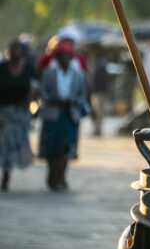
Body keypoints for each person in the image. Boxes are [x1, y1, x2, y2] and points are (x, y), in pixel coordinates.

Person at [38, 41, 87, 191]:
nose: (64, 59)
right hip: (53, 113)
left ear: (71, 58)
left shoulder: (78, 75)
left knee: (66, 148)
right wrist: (53, 99)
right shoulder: (49, 74)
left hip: (69, 114)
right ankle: (52, 175)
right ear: (57, 58)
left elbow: (82, 95)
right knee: (52, 147)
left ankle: (61, 176)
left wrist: (71, 101)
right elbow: (43, 92)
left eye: (67, 56)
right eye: (62, 56)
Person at [0, 40, 37, 190]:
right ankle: (6, 174)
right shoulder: (2, 68)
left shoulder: (28, 69)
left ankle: (9, 169)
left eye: (18, 50)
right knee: (5, 143)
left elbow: (35, 86)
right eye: (13, 50)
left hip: (20, 112)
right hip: (4, 111)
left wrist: (30, 101)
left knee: (18, 143)